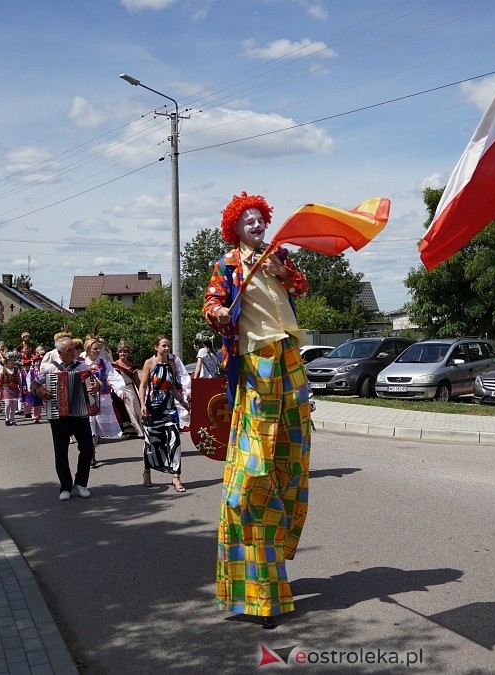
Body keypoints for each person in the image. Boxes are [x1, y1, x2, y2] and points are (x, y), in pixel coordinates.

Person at [203, 191, 311, 629]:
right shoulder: (228, 263)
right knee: (255, 471)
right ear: (235, 227)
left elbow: (301, 286)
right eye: (247, 220)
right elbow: (211, 304)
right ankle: (256, 582)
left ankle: (280, 544)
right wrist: (218, 313)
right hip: (256, 357)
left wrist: (283, 271)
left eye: (259, 218)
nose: (256, 224)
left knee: (293, 456)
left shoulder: (277, 254)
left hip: (289, 354)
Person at [31, 336, 101, 501]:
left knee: (87, 449)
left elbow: (96, 384)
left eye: (75, 349)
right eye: (70, 350)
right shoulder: (50, 368)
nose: (74, 352)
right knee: (61, 452)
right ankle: (65, 487)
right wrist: (40, 392)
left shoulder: (82, 367)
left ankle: (81, 483)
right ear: (60, 352)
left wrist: (96, 386)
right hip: (58, 416)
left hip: (80, 415)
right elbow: (33, 385)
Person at [137, 335, 190, 491]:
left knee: (175, 440)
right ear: (156, 347)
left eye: (168, 345)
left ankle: (176, 477)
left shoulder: (171, 364)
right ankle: (147, 471)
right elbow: (143, 385)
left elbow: (172, 387)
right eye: (164, 346)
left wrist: (183, 402)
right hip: (152, 408)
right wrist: (142, 404)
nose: (167, 348)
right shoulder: (149, 363)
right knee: (151, 442)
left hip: (169, 409)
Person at [111, 339, 145, 436]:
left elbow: (138, 382)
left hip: (130, 390)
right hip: (118, 390)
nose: (122, 354)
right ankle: (127, 430)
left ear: (128, 353)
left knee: (135, 409)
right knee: (123, 410)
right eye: (120, 351)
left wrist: (142, 396)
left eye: (125, 352)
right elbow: (110, 380)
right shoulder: (114, 365)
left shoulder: (132, 366)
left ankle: (137, 430)